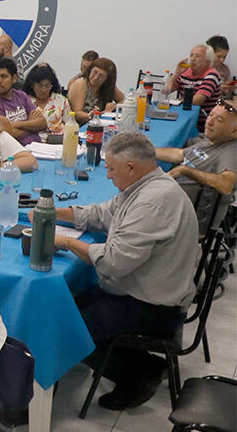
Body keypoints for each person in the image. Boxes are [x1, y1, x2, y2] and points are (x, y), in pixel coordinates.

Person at [40, 131, 199, 410]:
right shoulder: (145, 186)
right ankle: (136, 363)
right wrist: (54, 213)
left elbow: (114, 261)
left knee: (70, 327)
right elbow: (103, 213)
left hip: (152, 305)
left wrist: (65, 242)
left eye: (111, 169)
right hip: (143, 290)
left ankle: (139, 374)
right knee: (63, 308)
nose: (108, 175)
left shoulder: (151, 202)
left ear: (130, 167)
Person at [155, 99, 237, 234]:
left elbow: (226, 184)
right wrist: (146, 150)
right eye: (211, 115)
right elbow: (179, 154)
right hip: (172, 206)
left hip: (185, 223)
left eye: (219, 120)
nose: (209, 122)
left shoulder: (230, 151)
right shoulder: (212, 139)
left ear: (234, 131)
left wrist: (185, 170)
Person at [165, 44, 222, 132]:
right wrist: (176, 73)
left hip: (201, 123)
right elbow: (165, 91)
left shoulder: (212, 74)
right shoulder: (185, 72)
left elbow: (197, 100)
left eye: (197, 56)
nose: (192, 58)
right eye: (191, 55)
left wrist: (179, 101)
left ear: (208, 61)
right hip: (182, 117)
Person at [0, 58, 47, 144]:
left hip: (38, 146)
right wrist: (31, 125)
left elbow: (42, 123)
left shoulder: (21, 96)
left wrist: (16, 124)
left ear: (14, 78)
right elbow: (7, 134)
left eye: (3, 76)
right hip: (16, 149)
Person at [22, 63, 74, 141]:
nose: (44, 90)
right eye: (39, 86)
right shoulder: (24, 101)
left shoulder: (61, 100)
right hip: (34, 141)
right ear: (32, 85)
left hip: (59, 141)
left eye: (47, 86)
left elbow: (70, 124)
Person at [68, 57, 125, 124]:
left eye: (101, 76)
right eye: (95, 72)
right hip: (79, 125)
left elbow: (123, 100)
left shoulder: (108, 86)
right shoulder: (81, 83)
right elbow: (77, 114)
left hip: (98, 123)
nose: (96, 77)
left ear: (107, 79)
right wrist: (91, 115)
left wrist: (113, 106)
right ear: (90, 70)